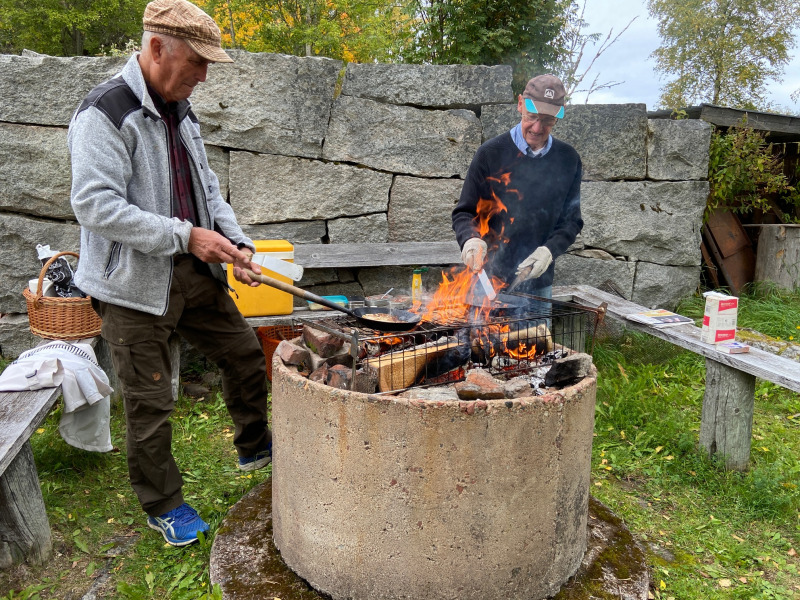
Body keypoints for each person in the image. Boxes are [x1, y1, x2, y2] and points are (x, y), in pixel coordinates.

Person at [68, 0, 272, 547]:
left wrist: (238, 247)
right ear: (157, 48)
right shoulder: (105, 112)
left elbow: (208, 192)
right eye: (197, 62)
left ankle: (255, 447)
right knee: (151, 401)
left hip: (194, 276)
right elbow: (95, 206)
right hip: (131, 286)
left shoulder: (184, 110)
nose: (205, 75)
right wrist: (186, 235)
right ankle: (164, 504)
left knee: (246, 355)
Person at [452, 74, 583, 313]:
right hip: (487, 281)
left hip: (538, 284)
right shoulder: (490, 153)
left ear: (558, 116)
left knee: (539, 348)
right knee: (479, 348)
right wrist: (470, 239)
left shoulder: (569, 159)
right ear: (520, 104)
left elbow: (571, 222)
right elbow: (464, 212)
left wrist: (549, 251)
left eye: (547, 121)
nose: (537, 128)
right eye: (532, 117)